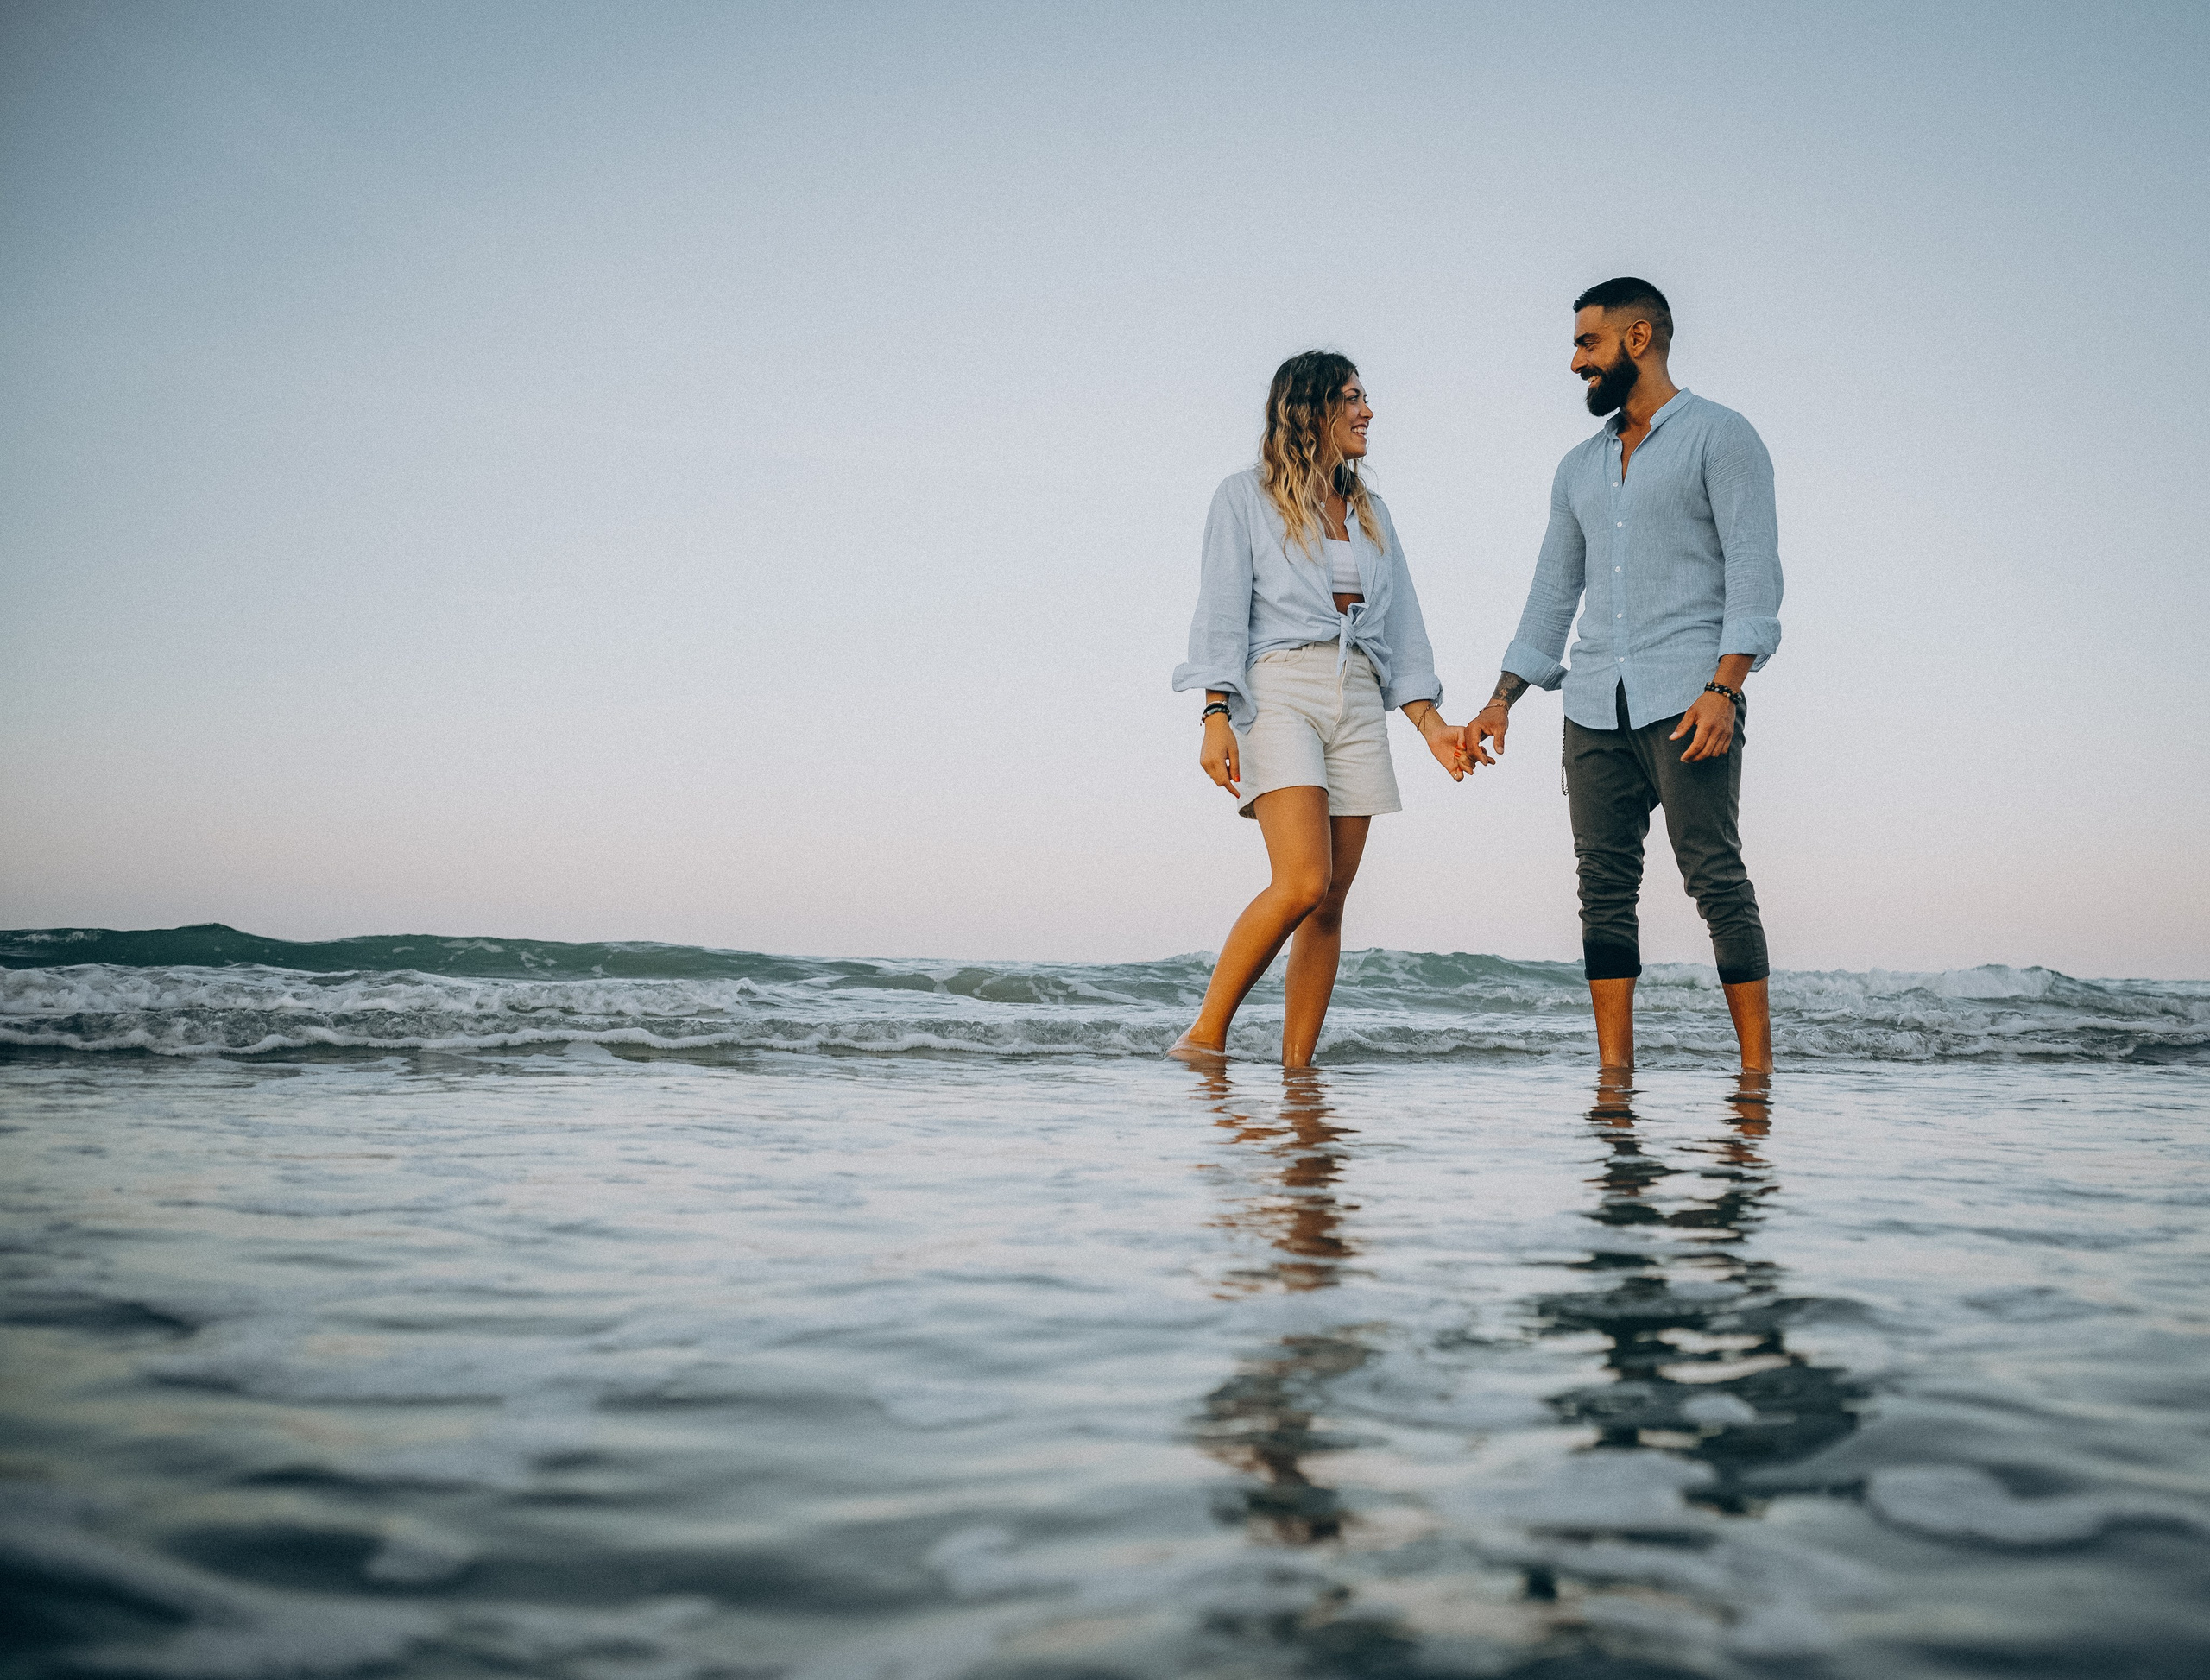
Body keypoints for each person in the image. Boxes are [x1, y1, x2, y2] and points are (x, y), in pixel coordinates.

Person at [1462, 280, 1782, 1071]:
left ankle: (1756, 1071)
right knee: (1603, 889)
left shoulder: (1722, 437)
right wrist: (1503, 700)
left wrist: (1726, 688)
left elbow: (1753, 577)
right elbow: (1551, 591)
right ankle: (1615, 1074)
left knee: (1714, 878)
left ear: (1638, 339)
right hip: (1593, 704)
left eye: (1587, 344)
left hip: (1690, 700)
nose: (1576, 363)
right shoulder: (1577, 468)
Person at [1171, 351, 1467, 1068]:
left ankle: (1298, 1068)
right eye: (1351, 398)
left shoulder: (1372, 511)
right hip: (1279, 687)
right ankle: (1203, 1038)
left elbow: (1403, 629)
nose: (1367, 411)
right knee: (1302, 879)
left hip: (1359, 693)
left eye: (1365, 397)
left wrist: (1431, 726)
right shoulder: (1243, 497)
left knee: (1330, 900)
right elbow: (1220, 611)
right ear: (1308, 410)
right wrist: (1214, 713)